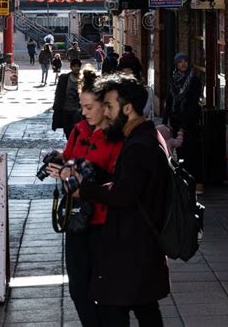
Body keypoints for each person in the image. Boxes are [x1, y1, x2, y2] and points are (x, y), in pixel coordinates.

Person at [73, 74, 170, 326]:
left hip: (132, 245)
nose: (106, 112)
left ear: (127, 109)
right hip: (140, 244)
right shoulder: (145, 137)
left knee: (112, 308)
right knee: (145, 307)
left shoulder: (139, 145)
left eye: (110, 106)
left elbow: (123, 193)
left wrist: (86, 191)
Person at [47, 68, 124, 327]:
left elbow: (117, 180)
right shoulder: (79, 129)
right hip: (76, 219)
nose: (84, 112)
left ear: (106, 107)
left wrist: (81, 173)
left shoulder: (117, 137)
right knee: (78, 290)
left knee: (105, 292)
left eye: (89, 107)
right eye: (82, 106)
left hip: (103, 223)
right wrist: (59, 162)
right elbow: (69, 156)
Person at [163, 52, 203, 193]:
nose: (183, 64)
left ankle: (197, 182)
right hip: (176, 121)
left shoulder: (194, 80)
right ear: (176, 65)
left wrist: (184, 123)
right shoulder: (173, 80)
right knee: (181, 153)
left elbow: (193, 103)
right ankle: (184, 182)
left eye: (185, 61)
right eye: (180, 62)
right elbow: (169, 101)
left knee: (192, 152)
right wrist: (165, 120)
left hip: (190, 123)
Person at [52, 58, 82, 138]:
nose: (76, 68)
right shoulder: (64, 78)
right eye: (74, 66)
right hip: (65, 109)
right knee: (67, 130)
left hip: (77, 110)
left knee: (77, 130)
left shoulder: (83, 79)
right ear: (71, 67)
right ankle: (70, 145)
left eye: (78, 66)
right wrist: (56, 107)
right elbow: (58, 93)